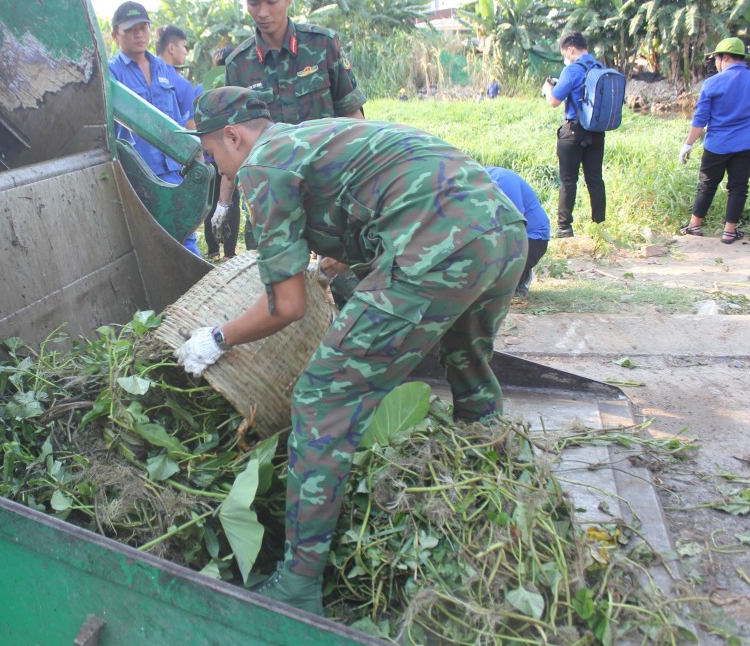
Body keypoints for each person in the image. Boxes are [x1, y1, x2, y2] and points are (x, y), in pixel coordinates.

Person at [174, 87, 527, 614]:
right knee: (468, 368)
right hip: (503, 230)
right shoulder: (313, 137)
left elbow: (286, 305)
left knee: (321, 398)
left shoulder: (262, 165)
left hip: (439, 241)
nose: (218, 167)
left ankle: (296, 584)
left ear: (233, 135)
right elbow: (373, 202)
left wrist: (217, 337)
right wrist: (339, 264)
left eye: (212, 154)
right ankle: (499, 507)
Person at [210, 0, 367, 246]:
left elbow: (353, 116)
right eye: (253, 1)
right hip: (271, 203)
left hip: (328, 195)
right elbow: (234, 143)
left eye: (271, 0)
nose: (262, 12)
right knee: (270, 287)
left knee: (342, 283)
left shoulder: (322, 45)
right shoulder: (238, 65)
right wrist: (224, 202)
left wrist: (360, 182)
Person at [108, 1, 201, 257]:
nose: (139, 34)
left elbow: (181, 119)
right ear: (116, 35)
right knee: (151, 241)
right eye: (131, 29)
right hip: (137, 173)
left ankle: (200, 286)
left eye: (143, 27)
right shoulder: (111, 73)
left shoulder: (164, 69)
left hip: (172, 170)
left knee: (184, 230)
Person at [678, 37, 750, 244]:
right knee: (739, 186)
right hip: (746, 144)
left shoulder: (712, 83)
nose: (715, 63)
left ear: (725, 58)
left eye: (716, 59)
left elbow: (700, 119)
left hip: (717, 145)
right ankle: (729, 232)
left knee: (707, 185)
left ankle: (694, 225)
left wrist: (688, 144)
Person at [541, 30, 607, 239]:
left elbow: (554, 101)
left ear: (570, 49)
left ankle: (564, 227)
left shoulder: (571, 71)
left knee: (568, 180)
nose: (565, 57)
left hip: (573, 131)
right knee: (595, 178)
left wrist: (547, 90)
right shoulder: (600, 68)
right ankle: (599, 225)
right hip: (596, 131)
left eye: (565, 53)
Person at [485, 167, 550, 300]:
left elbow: (516, 225)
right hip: (504, 237)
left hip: (531, 238)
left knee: (494, 293)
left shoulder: (502, 179)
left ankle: (521, 276)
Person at [202, 48, 240, 261]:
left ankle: (215, 251)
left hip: (217, 159)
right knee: (226, 203)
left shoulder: (204, 89)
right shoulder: (238, 92)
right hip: (225, 158)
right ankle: (227, 253)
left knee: (216, 203)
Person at [156, 25, 196, 129]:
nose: (185, 51)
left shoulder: (142, 77)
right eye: (183, 46)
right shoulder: (183, 85)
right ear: (171, 48)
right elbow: (190, 131)